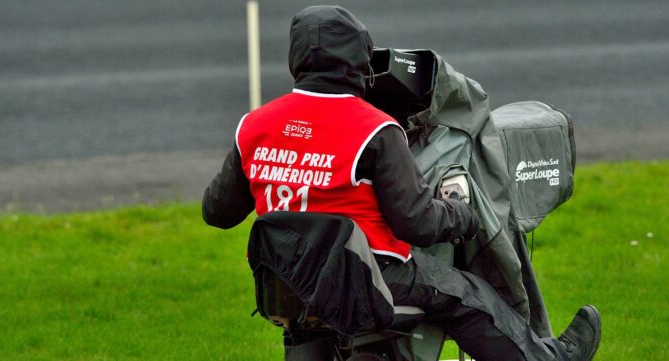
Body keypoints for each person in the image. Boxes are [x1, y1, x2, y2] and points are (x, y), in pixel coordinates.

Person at [202, 5, 601, 361]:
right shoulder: (373, 128)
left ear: (296, 59)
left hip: (285, 284)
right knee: (471, 297)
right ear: (360, 61)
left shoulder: (253, 125)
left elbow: (217, 212)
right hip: (371, 276)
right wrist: (463, 214)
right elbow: (418, 224)